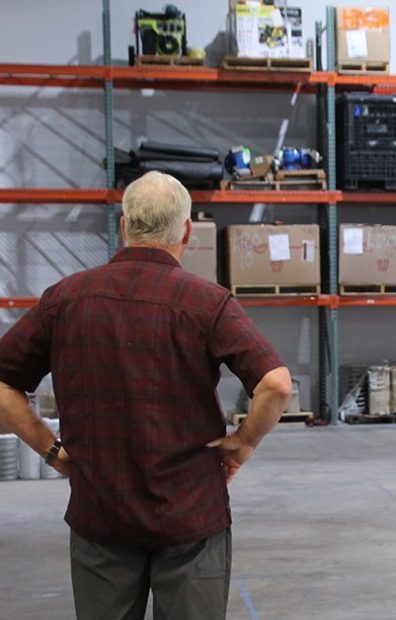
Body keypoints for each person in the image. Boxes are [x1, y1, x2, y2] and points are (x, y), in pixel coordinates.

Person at [0, 171, 292, 620]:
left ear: (123, 225)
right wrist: (244, 443)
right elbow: (275, 384)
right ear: (187, 230)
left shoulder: (65, 299)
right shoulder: (207, 303)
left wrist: (51, 449)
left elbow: (4, 382)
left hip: (102, 514)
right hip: (190, 515)